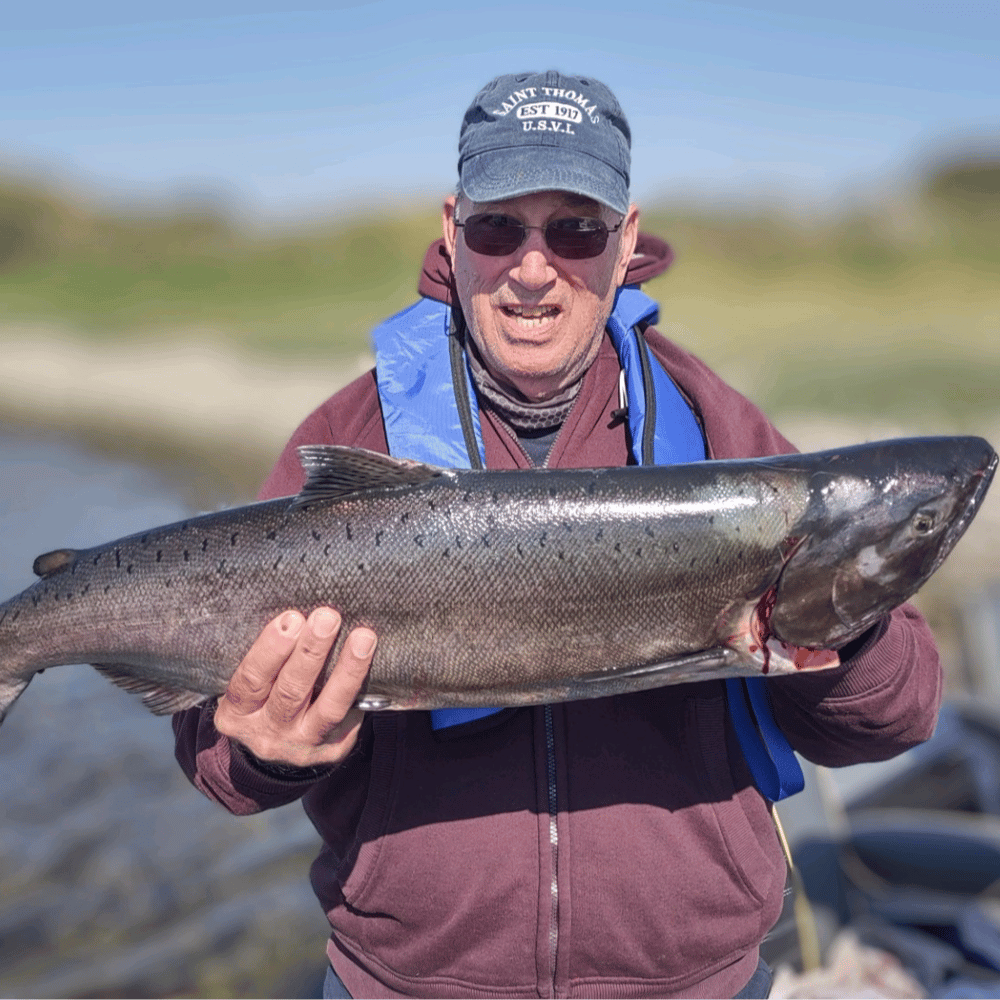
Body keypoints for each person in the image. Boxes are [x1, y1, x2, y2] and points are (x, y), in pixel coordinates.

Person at [173, 70, 942, 1000]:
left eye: (575, 230)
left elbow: (895, 718)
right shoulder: (350, 431)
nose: (533, 269)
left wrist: (839, 614)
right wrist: (262, 748)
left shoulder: (716, 429)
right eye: (501, 227)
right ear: (453, 232)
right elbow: (214, 761)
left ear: (625, 244)